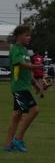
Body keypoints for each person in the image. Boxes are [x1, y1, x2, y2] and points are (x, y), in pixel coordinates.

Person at [4, 25, 40, 153]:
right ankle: (17, 139)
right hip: (19, 87)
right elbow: (19, 63)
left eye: (29, 35)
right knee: (34, 110)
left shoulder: (25, 50)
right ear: (19, 36)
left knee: (16, 115)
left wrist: (35, 83)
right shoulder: (16, 49)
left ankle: (8, 145)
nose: (29, 38)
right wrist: (34, 66)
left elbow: (26, 72)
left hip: (24, 86)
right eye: (26, 35)